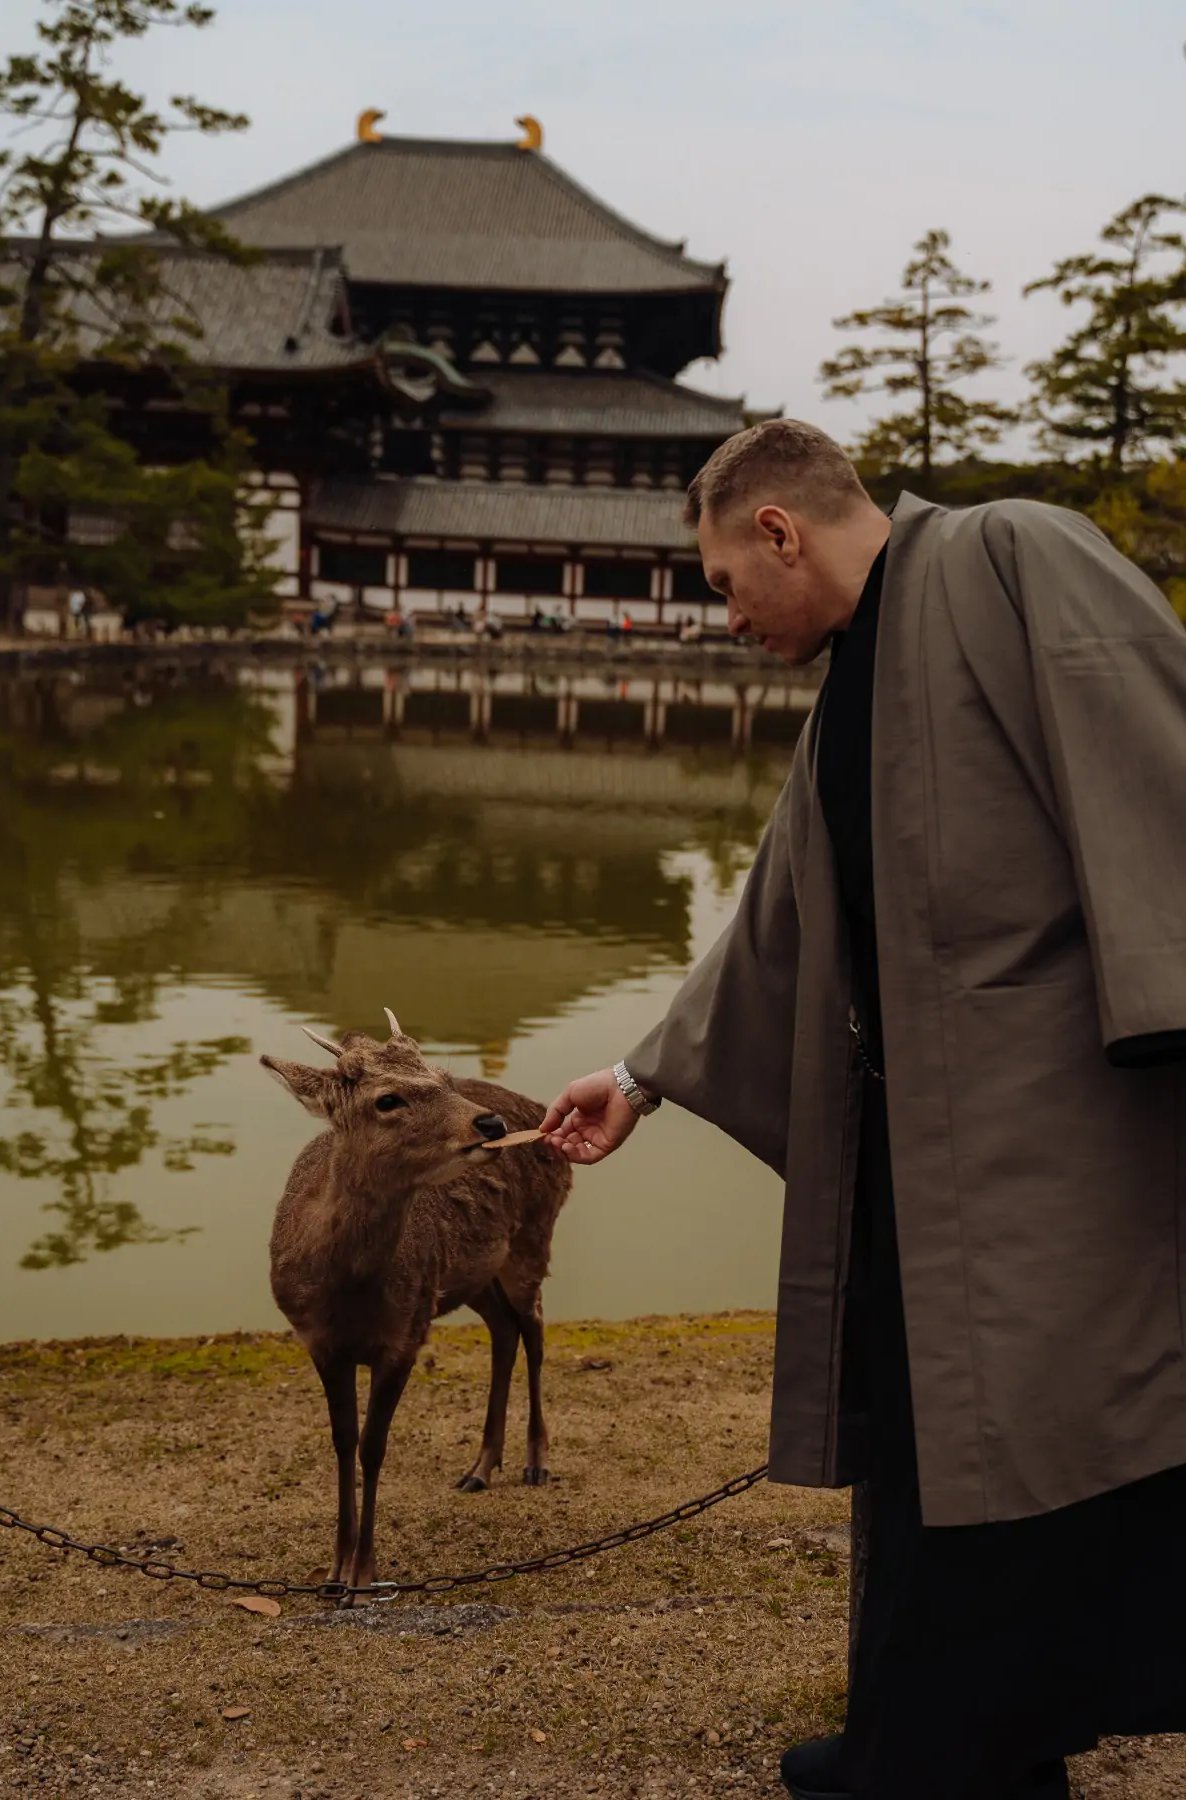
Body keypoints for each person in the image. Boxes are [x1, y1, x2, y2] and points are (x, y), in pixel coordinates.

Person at [541, 419, 1186, 1800]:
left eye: (722, 583)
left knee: (1036, 1453)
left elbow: (1155, 755)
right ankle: (929, 1735)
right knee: (926, 1448)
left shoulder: (1010, 554)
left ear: (780, 530)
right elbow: (780, 918)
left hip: (1060, 1133)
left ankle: (958, 1753)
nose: (725, 618)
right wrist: (641, 1077)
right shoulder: (858, 681)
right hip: (920, 1148)